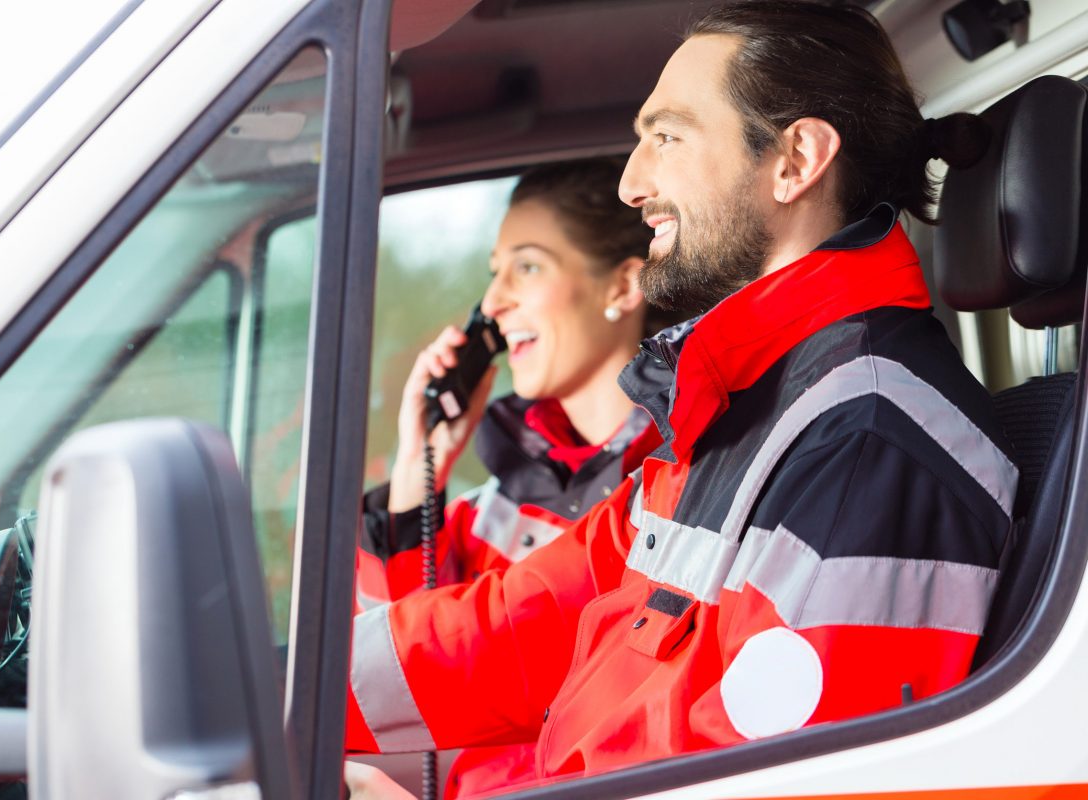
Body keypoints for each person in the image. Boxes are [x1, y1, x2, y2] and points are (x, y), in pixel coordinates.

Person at [345, 0, 1016, 792]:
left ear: (796, 159)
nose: (633, 182)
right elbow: (517, 628)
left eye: (666, 137)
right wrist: (298, 689)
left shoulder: (870, 442)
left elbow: (759, 782)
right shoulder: (742, 412)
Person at [355, 157, 675, 797]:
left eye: (526, 268)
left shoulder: (675, 488)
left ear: (622, 288)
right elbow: (383, 646)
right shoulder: (493, 506)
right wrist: (424, 457)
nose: (493, 305)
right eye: (493, 274)